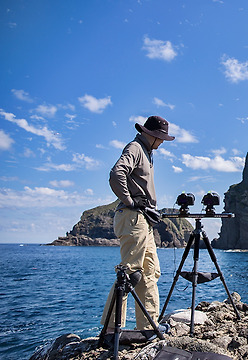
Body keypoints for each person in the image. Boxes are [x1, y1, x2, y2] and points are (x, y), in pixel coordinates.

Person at [101, 115, 175, 332]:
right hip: (133, 218)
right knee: (130, 274)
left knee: (150, 271)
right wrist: (131, 201)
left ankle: (148, 327)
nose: (162, 142)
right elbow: (117, 173)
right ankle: (110, 331)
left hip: (142, 220)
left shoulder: (148, 152)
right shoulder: (135, 148)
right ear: (150, 135)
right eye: (160, 138)